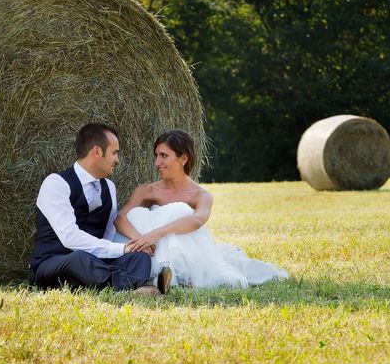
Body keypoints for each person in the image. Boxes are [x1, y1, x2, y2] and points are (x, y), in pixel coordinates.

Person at [115, 129, 289, 288]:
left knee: (180, 212)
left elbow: (197, 221)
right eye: (156, 156)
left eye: (163, 156)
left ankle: (169, 273)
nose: (157, 162)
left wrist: (156, 234)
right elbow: (121, 217)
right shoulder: (147, 190)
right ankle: (166, 273)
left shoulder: (201, 195)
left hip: (185, 249)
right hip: (151, 249)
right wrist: (141, 240)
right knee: (137, 214)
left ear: (183, 158)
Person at [29, 123, 172, 296]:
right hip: (51, 264)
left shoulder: (109, 187)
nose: (117, 160)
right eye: (114, 153)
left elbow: (107, 233)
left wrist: (131, 249)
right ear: (97, 152)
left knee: (139, 256)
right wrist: (122, 248)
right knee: (79, 259)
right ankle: (139, 284)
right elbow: (70, 238)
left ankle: (133, 287)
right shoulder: (56, 183)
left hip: (93, 262)